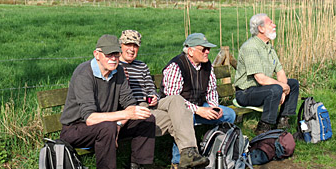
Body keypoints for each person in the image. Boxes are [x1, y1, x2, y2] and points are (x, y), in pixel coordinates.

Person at [59, 34, 156, 169]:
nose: (113, 59)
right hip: (75, 128)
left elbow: (129, 103)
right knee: (107, 127)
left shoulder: (118, 71)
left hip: (108, 125)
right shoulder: (84, 74)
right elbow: (90, 119)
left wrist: (118, 125)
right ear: (97, 54)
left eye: (116, 55)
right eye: (109, 55)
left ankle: (140, 165)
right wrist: (124, 116)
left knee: (147, 119)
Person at [118, 30, 209, 168]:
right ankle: (184, 157)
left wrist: (154, 96)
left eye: (135, 46)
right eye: (128, 45)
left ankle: (189, 153)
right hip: (133, 108)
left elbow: (150, 88)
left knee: (176, 99)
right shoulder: (115, 66)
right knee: (177, 118)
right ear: (121, 46)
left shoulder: (141, 66)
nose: (132, 49)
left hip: (150, 105)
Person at [161, 33, 236, 166]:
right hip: (178, 111)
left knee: (229, 114)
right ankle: (178, 162)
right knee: (184, 120)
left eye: (208, 49)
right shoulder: (176, 66)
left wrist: (213, 107)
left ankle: (216, 152)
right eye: (203, 49)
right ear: (190, 50)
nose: (207, 52)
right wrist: (198, 110)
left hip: (200, 105)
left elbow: (211, 90)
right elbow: (173, 99)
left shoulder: (207, 66)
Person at [234, 13, 299, 135]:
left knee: (293, 83)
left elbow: (280, 72)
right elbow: (261, 79)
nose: (274, 25)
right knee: (275, 89)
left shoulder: (268, 47)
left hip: (262, 89)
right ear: (261, 28)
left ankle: (283, 121)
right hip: (245, 92)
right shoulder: (250, 48)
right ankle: (264, 128)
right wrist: (281, 87)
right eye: (270, 23)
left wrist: (284, 90)